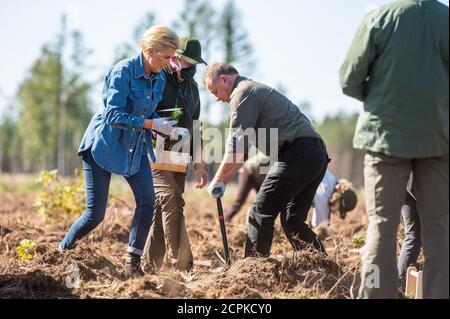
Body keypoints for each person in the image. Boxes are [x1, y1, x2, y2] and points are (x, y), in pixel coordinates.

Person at [340, 0, 448, 298]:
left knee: (382, 228)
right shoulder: (445, 18)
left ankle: (375, 294)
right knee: (439, 230)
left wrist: (379, 100)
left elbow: (349, 79)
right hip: (437, 139)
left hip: (384, 138)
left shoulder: (378, 18)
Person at [59, 26, 180, 277]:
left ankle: (132, 263)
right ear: (149, 51)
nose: (170, 63)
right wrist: (150, 124)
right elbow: (112, 114)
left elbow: (147, 113)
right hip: (103, 146)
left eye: (172, 57)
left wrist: (163, 126)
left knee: (148, 200)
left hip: (133, 148)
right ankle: (62, 251)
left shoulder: (159, 78)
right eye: (166, 57)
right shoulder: (123, 71)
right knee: (95, 215)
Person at [204, 63, 330, 257]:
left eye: (214, 91)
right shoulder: (251, 90)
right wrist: (224, 180)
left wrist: (217, 179)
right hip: (315, 154)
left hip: (298, 153)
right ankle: (321, 264)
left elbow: (235, 148)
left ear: (224, 80)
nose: (217, 98)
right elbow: (241, 156)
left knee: (260, 211)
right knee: (292, 221)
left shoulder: (242, 93)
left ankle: (253, 269)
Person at [143, 37, 209, 272]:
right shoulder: (159, 78)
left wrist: (200, 165)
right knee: (172, 201)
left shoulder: (192, 88)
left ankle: (147, 267)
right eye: (187, 62)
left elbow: (197, 126)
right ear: (175, 57)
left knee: (165, 210)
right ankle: (182, 265)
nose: (191, 68)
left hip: (179, 155)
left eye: (195, 64)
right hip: (154, 151)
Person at [225, 152, 358, 228]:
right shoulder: (325, 190)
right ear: (338, 199)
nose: (336, 212)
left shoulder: (330, 181)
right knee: (241, 201)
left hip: (269, 171)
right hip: (254, 170)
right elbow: (321, 224)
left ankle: (251, 224)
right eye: (339, 209)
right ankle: (226, 221)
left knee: (264, 205)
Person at [397, 174, 421, 291]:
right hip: (411, 192)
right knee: (414, 237)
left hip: (408, 188)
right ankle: (400, 284)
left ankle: (400, 284)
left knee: (413, 237)